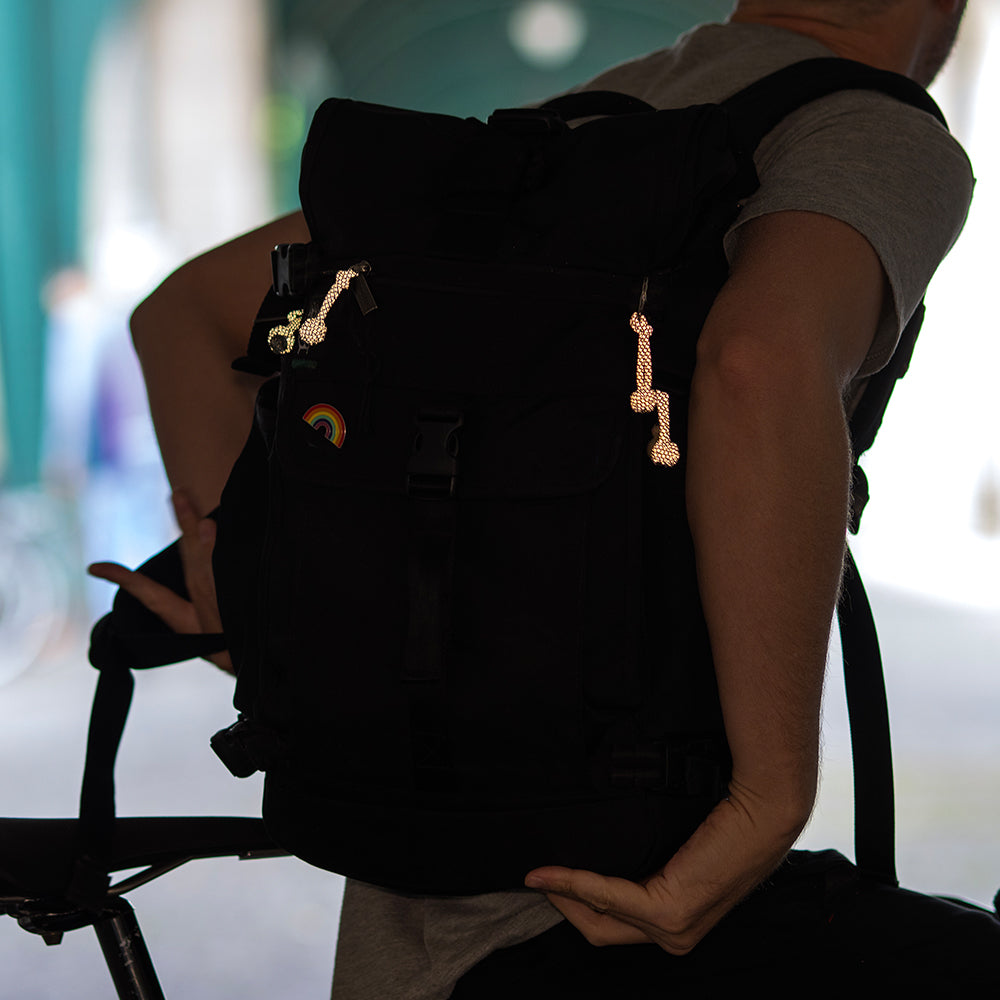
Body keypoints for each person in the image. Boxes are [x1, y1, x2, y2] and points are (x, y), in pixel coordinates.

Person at [90, 0, 976, 994]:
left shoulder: (578, 127)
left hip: (410, 894)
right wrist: (769, 799)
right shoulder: (875, 130)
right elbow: (760, 359)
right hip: (627, 891)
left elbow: (185, 317)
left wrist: (251, 586)